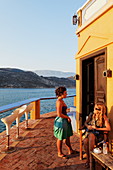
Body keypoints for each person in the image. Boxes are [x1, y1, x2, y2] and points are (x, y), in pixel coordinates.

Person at [83, 103, 111, 168]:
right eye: (94, 108)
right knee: (85, 141)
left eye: (96, 109)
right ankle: (89, 159)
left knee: (91, 136)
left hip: (99, 135)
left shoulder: (104, 117)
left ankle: (90, 161)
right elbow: (85, 123)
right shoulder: (91, 115)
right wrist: (88, 126)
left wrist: (96, 128)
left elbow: (108, 128)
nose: (94, 110)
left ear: (100, 110)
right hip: (90, 133)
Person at [54, 86, 75, 159]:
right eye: (65, 93)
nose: (67, 94)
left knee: (67, 136)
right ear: (61, 93)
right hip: (61, 121)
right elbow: (59, 114)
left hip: (64, 121)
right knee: (60, 137)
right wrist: (67, 117)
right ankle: (59, 153)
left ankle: (70, 150)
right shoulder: (59, 102)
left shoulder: (62, 100)